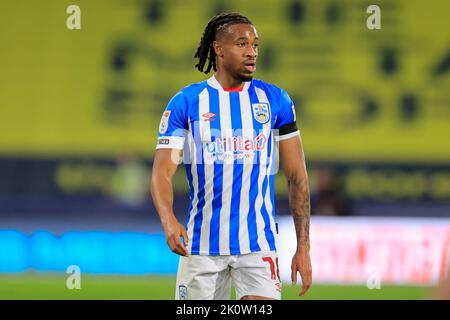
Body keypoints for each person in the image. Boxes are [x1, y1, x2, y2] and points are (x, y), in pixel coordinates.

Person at [150, 12, 312, 300]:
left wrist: (303, 247)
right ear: (219, 49)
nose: (251, 52)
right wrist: (169, 221)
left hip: (257, 247)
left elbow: (297, 177)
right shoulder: (187, 103)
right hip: (201, 248)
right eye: (242, 44)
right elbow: (162, 172)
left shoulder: (276, 101)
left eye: (255, 45)